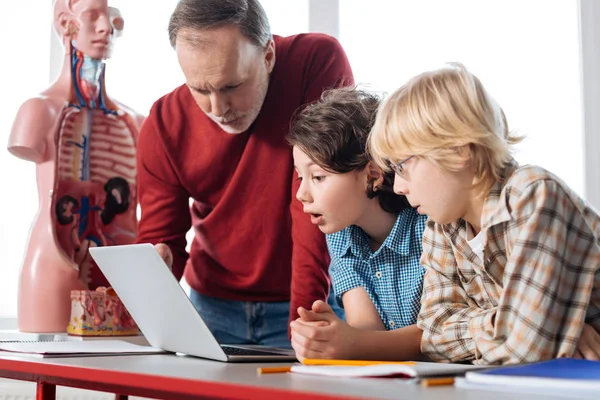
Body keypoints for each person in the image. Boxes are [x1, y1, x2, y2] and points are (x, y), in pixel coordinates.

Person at [136, 0, 353, 347]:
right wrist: (158, 265)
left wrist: (302, 323)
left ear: (267, 56)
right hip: (211, 308)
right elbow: (162, 241)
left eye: (232, 86)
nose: (218, 110)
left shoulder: (315, 62)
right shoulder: (164, 122)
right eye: (200, 90)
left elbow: (315, 202)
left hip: (313, 301)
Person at [368, 62, 600, 365]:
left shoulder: (532, 195)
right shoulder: (443, 224)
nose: (397, 186)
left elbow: (525, 352)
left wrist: (532, 332)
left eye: (402, 166)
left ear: (459, 151)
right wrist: (535, 326)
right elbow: (432, 333)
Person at [7, 0, 144, 332]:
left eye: (111, 18)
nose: (105, 28)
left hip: (122, 265)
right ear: (65, 24)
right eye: (92, 16)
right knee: (52, 368)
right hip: (53, 257)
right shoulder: (39, 112)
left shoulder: (137, 122)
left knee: (125, 369)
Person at [287, 87, 427, 361]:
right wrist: (335, 335)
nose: (301, 194)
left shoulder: (428, 225)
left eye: (317, 177)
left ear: (371, 175)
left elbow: (436, 334)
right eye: (298, 178)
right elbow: (367, 328)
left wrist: (354, 342)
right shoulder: (341, 236)